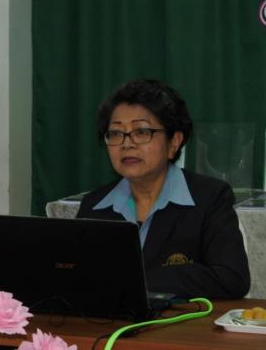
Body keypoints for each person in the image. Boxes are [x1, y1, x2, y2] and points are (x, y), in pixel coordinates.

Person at [76, 79, 250, 299]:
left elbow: (231, 278)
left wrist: (137, 280)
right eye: (116, 133)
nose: (127, 144)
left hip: (181, 321)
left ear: (174, 142)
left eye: (142, 132)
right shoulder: (94, 206)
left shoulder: (209, 198)